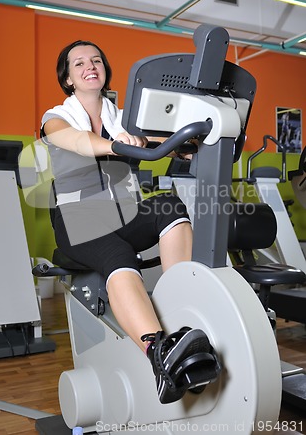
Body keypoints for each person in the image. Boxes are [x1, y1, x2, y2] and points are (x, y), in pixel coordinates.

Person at [41, 40, 219, 404]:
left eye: (95, 60)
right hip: (77, 220)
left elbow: (155, 136)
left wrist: (184, 141)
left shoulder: (121, 116)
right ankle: (161, 358)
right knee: (118, 253)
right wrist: (117, 144)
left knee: (169, 205)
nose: (90, 66)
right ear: (68, 78)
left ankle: (179, 309)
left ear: (104, 70)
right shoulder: (54, 116)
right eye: (79, 64)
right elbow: (76, 141)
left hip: (121, 213)